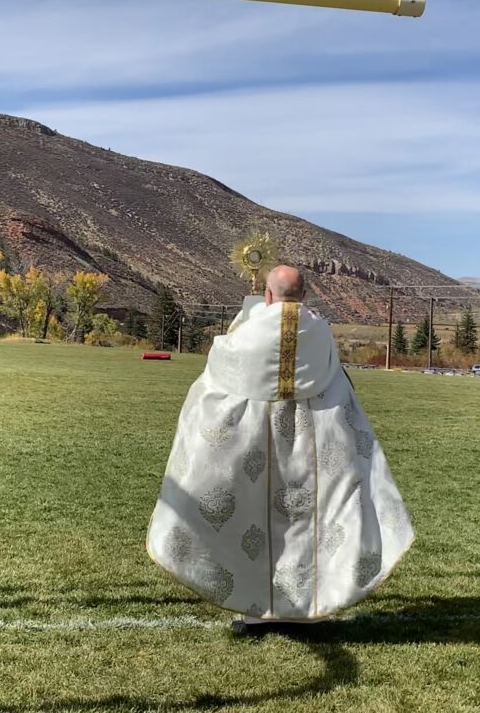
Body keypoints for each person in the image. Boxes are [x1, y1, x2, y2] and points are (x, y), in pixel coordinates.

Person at [146, 265, 414, 628]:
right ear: (305, 295)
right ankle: (308, 611)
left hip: (255, 444)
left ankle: (255, 613)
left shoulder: (249, 330)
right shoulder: (320, 332)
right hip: (313, 443)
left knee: (251, 520)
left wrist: (242, 320)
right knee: (312, 522)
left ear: (268, 295)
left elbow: (222, 365)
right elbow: (336, 377)